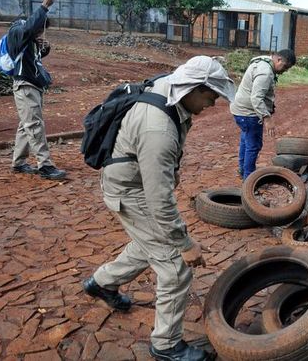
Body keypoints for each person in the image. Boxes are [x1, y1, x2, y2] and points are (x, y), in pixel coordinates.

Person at [82, 56, 235, 361]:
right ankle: (166, 345)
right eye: (211, 95)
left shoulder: (169, 86)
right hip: (130, 190)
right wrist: (185, 243)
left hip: (131, 180)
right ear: (194, 88)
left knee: (148, 244)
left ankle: (101, 284)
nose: (213, 104)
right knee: (175, 268)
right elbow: (159, 202)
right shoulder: (158, 132)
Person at [8, 0, 66, 180]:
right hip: (25, 86)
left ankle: (18, 163)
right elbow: (28, 29)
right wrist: (44, 7)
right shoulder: (18, 32)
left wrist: (44, 47)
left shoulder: (28, 39)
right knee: (34, 125)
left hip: (32, 86)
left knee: (26, 125)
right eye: (39, 29)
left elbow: (35, 61)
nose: (40, 32)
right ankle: (45, 166)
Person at [230, 49, 296, 179]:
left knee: (246, 139)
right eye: (285, 67)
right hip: (248, 113)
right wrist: (267, 118)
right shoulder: (265, 72)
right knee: (254, 145)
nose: (285, 71)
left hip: (239, 109)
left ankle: (243, 169)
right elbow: (256, 98)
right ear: (278, 60)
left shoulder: (263, 61)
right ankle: (249, 180)